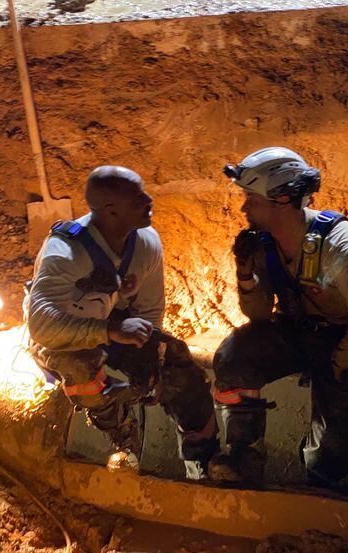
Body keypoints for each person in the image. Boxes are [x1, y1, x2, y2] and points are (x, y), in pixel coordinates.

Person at [25, 165, 218, 479]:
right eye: (137, 198)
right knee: (81, 369)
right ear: (111, 211)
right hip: (61, 334)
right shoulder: (65, 252)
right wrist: (110, 331)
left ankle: (202, 461)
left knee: (177, 361)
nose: (148, 199)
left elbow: (150, 314)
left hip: (110, 324)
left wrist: (150, 361)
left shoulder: (145, 244)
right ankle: (122, 443)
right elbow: (42, 326)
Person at [209, 147, 348, 485]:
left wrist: (337, 365)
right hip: (297, 333)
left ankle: (324, 488)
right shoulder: (263, 244)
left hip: (345, 340)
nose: (244, 207)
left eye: (252, 199)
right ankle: (242, 456)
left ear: (283, 199)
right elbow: (259, 315)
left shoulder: (335, 238)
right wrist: (245, 272)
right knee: (235, 355)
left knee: (332, 445)